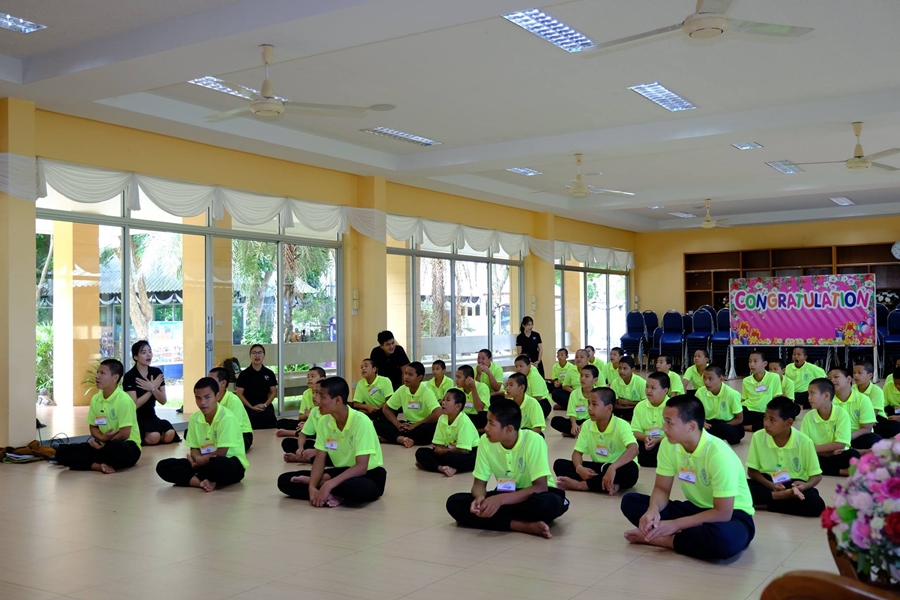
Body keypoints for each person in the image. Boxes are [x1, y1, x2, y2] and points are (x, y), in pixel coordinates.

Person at [620, 395, 755, 560]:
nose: (663, 428)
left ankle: (666, 540)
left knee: (723, 540)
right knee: (631, 502)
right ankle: (687, 535)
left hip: (732, 515)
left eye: (669, 422)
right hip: (695, 508)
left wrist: (675, 524)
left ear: (691, 426)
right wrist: (653, 510)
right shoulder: (668, 444)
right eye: (664, 421)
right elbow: (662, 488)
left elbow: (723, 513)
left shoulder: (718, 454)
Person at [445, 399, 568, 538]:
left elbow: (540, 487)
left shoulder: (534, 440)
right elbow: (479, 484)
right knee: (455, 503)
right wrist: (480, 498)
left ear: (508, 429)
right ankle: (521, 525)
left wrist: (500, 500)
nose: (486, 428)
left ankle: (494, 520)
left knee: (548, 504)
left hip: (534, 495)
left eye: (491, 423)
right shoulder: (485, 441)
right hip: (506, 491)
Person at [277, 377, 386, 506]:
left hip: (368, 474)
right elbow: (319, 459)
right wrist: (312, 487)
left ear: (338, 400)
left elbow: (361, 467)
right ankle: (329, 489)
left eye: (322, 396)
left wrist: (329, 484)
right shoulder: (324, 421)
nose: (317, 401)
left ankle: (328, 486)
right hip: (339, 472)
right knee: (285, 480)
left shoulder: (362, 422)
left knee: (357, 488)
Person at [156, 378, 248, 492]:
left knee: (218, 464)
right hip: (202, 463)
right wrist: (198, 459)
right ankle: (201, 482)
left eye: (207, 397)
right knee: (163, 466)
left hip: (228, 462)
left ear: (217, 396)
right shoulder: (194, 418)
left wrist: (198, 462)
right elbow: (194, 448)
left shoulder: (227, 418)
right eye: (198, 398)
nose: (202, 402)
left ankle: (198, 476)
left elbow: (221, 453)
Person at [55, 359, 141, 474]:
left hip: (126, 445)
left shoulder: (124, 400)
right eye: (97, 372)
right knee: (61, 452)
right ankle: (97, 465)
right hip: (103, 445)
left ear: (115, 377)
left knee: (116, 448)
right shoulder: (96, 399)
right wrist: (102, 438)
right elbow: (94, 427)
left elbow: (125, 434)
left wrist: (104, 446)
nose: (97, 376)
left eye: (102, 373)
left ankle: (88, 460)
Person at [746, 397, 825, 517]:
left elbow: (817, 476)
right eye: (765, 417)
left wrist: (806, 485)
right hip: (767, 482)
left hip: (793, 484)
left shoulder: (804, 442)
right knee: (738, 488)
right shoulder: (758, 436)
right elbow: (752, 472)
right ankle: (781, 497)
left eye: (772, 420)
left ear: (789, 422)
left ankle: (764, 504)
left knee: (816, 504)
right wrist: (771, 485)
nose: (766, 423)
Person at [554, 387, 640, 495]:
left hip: (618, 467)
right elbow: (577, 453)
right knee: (559, 464)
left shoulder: (622, 425)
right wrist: (580, 469)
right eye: (588, 403)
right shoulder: (587, 425)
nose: (589, 408)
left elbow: (634, 449)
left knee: (631, 470)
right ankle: (612, 484)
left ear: (608, 408)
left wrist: (612, 468)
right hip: (598, 468)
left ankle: (581, 485)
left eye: (594, 404)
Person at [122, 341, 178, 445]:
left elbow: (163, 401)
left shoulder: (156, 372)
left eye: (150, 351)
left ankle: (157, 436)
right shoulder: (130, 376)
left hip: (152, 416)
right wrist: (151, 389)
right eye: (144, 352)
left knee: (170, 434)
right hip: (137, 418)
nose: (148, 355)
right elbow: (134, 405)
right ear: (136, 357)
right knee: (154, 436)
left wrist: (153, 388)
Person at [801, 378, 859, 477]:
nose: (809, 398)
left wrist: (813, 449)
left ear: (826, 396)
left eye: (812, 393)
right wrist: (828, 453)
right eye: (808, 394)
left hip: (837, 454)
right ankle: (841, 471)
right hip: (819, 455)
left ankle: (826, 469)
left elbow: (840, 444)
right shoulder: (808, 417)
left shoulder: (841, 414)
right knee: (803, 459)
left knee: (853, 455)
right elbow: (804, 447)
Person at [415, 389, 479, 477]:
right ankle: (441, 468)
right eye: (443, 399)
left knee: (462, 459)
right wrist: (441, 450)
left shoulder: (464, 421)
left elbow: (463, 450)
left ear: (458, 406)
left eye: (447, 400)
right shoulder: (442, 418)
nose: (443, 403)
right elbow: (437, 443)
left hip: (468, 452)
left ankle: (434, 465)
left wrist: (444, 451)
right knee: (420, 452)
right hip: (448, 450)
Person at [374, 362, 441, 447]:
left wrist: (415, 425)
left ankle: (392, 438)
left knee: (428, 430)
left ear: (420, 378)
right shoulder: (402, 389)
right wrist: (398, 424)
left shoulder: (427, 392)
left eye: (410, 375)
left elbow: (438, 413)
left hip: (422, 425)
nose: (406, 377)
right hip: (408, 425)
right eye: (405, 373)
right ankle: (404, 439)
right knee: (378, 423)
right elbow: (386, 408)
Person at [828, 367, 880, 450]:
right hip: (835, 438)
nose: (832, 380)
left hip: (856, 436)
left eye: (836, 377)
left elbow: (866, 428)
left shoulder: (863, 399)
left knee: (875, 440)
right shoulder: (827, 400)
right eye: (829, 379)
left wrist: (846, 438)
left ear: (848, 379)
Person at [697, 364, 744, 446]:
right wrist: (703, 423)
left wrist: (723, 426)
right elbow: (696, 413)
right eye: (704, 378)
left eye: (710, 379)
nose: (706, 382)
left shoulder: (732, 394)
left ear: (721, 379)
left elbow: (739, 419)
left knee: (732, 432)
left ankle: (714, 439)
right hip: (709, 423)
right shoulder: (700, 393)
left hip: (728, 423)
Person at [275, 366, 325, 442]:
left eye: (313, 376)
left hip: (321, 425)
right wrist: (307, 417)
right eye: (308, 377)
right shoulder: (306, 393)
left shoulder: (327, 394)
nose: (309, 379)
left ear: (322, 379)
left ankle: (295, 433)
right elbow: (300, 417)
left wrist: (309, 420)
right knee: (281, 422)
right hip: (309, 421)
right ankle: (303, 430)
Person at [209, 367, 254, 451]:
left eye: (212, 381)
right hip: (218, 433)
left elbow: (234, 428)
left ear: (223, 383)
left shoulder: (233, 400)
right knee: (189, 432)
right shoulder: (210, 399)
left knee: (232, 446)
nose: (208, 384)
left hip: (241, 434)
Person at [631, 371, 669, 468]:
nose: (648, 391)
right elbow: (635, 430)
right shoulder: (640, 406)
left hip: (665, 441)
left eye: (653, 388)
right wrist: (645, 438)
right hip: (645, 442)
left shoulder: (673, 407)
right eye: (647, 387)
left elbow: (677, 434)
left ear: (665, 390)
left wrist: (658, 440)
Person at [235, 344, 277, 429]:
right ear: (250, 355)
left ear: (264, 355)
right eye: (254, 353)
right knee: (251, 420)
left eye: (260, 353)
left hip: (265, 406)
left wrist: (265, 405)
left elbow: (273, 392)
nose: (257, 356)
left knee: (270, 418)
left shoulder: (269, 373)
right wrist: (251, 407)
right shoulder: (244, 374)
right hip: (249, 406)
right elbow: (239, 394)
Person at [549, 363, 598, 437]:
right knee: (555, 421)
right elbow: (571, 413)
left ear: (595, 380)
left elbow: (599, 414)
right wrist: (574, 424)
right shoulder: (574, 393)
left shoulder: (598, 394)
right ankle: (579, 431)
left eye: (587, 376)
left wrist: (585, 424)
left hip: (591, 421)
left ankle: (574, 432)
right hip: (577, 421)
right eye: (581, 375)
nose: (583, 378)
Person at [854, 362, 900, 439]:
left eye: (859, 373)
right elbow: (884, 405)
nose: (856, 376)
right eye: (854, 373)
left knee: (895, 426)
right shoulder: (889, 385)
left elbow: (873, 415)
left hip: (870, 417)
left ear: (870, 375)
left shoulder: (876, 391)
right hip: (893, 409)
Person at [741, 351, 782, 432]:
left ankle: (745, 427)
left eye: (755, 361)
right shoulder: (746, 380)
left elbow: (776, 397)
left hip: (764, 412)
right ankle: (749, 426)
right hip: (748, 410)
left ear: (765, 363)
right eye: (750, 361)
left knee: (772, 422)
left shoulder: (774, 377)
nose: (752, 364)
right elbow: (744, 399)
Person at [455, 364, 491, 430]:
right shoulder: (456, 389)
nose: (456, 380)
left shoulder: (483, 387)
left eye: (459, 377)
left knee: (483, 416)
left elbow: (479, 409)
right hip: (463, 417)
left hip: (478, 417)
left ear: (468, 378)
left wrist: (473, 388)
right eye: (456, 377)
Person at [611, 355, 647, 421]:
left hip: (636, 410)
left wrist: (627, 402)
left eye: (625, 368)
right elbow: (614, 404)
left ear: (633, 370)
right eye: (619, 368)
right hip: (621, 410)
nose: (621, 371)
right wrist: (631, 406)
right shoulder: (615, 382)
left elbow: (645, 403)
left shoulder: (641, 383)